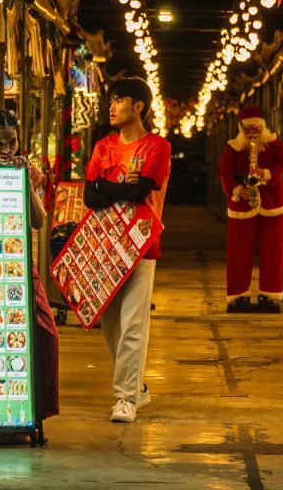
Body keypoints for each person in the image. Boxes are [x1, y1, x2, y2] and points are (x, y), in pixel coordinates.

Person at [83, 77, 171, 424]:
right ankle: (138, 387)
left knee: (134, 321)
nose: (112, 106)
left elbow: (139, 194)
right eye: (111, 100)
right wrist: (117, 186)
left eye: (119, 100)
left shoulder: (157, 148)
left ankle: (125, 398)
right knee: (110, 325)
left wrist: (106, 185)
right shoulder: (103, 145)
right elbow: (90, 196)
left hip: (141, 244)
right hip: (105, 245)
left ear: (138, 107)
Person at [0, 108, 59, 442]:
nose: (7, 150)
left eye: (12, 143)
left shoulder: (26, 170)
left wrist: (23, 181)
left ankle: (32, 414)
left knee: (44, 335)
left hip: (18, 263)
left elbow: (39, 220)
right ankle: (0, 420)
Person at [219, 106, 283, 312]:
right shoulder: (233, 147)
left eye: (256, 129)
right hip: (242, 203)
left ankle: (270, 294)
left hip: (272, 203)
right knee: (238, 252)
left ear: (263, 127)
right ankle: (238, 295)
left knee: (273, 252)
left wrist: (264, 173)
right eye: (247, 129)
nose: (251, 133)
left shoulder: (275, 145)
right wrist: (237, 190)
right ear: (241, 128)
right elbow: (225, 173)